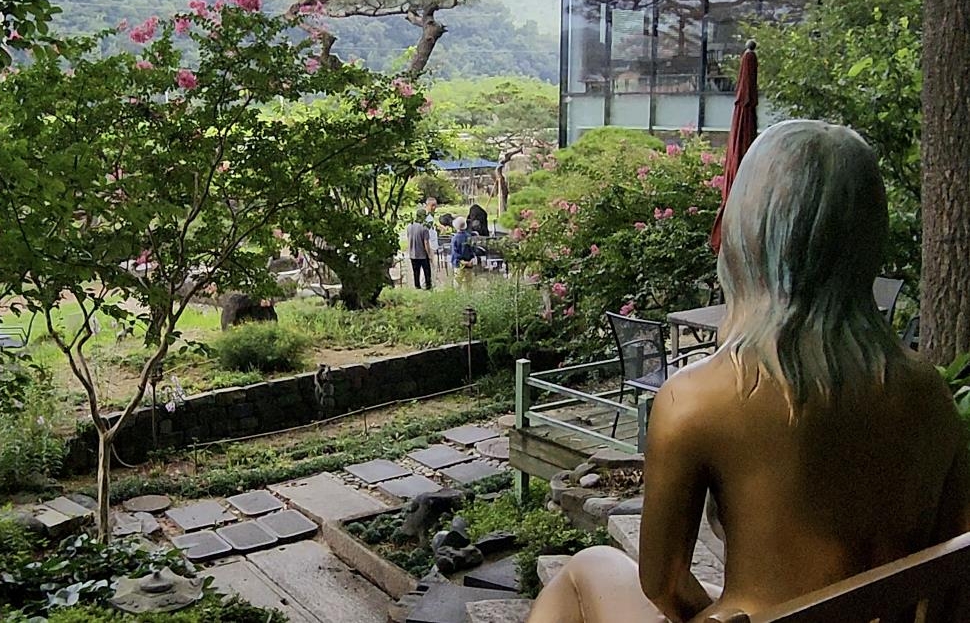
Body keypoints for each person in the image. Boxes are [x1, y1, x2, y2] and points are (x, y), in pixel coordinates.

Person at [527, 120, 970, 623]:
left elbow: (663, 587)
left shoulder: (696, 400)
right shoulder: (929, 394)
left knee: (586, 572)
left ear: (748, 233)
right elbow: (952, 572)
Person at [405, 211, 434, 290]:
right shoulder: (424, 228)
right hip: (423, 255)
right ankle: (428, 287)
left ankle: (417, 287)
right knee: (427, 272)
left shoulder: (409, 226)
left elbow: (408, 239)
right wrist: (429, 254)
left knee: (416, 272)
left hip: (412, 254)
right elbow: (426, 242)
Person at [449, 216, 477, 288]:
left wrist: (461, 261)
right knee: (468, 283)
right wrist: (471, 259)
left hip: (459, 264)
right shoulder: (469, 237)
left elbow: (454, 252)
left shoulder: (455, 238)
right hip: (469, 263)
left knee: (458, 282)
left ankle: (458, 297)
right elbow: (473, 249)